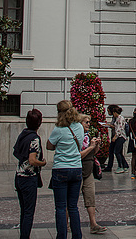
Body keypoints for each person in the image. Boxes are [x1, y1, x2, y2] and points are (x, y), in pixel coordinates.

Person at [46, 100, 83, 239]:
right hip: (76, 168)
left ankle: (61, 236)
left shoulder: (58, 129)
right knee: (73, 206)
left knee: (61, 207)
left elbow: (49, 146)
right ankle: (77, 235)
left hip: (61, 168)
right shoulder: (79, 127)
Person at [13, 109, 46, 239]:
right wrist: (42, 163)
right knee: (29, 211)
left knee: (24, 210)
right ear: (39, 123)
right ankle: (25, 236)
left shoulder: (23, 134)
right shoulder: (34, 138)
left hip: (19, 175)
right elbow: (32, 160)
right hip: (29, 178)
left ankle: (23, 234)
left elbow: (16, 152)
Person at [78, 113, 106, 234]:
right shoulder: (77, 138)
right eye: (86, 122)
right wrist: (90, 147)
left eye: (89, 122)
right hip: (78, 169)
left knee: (90, 197)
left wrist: (96, 145)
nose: (88, 124)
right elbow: (78, 155)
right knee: (72, 199)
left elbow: (93, 153)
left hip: (88, 170)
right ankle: (67, 224)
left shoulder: (88, 135)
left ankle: (93, 223)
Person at [102, 105, 128, 174]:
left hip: (120, 137)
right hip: (116, 136)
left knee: (117, 151)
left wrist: (115, 137)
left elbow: (119, 129)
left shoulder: (120, 118)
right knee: (113, 151)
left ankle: (121, 166)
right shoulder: (115, 118)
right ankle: (124, 165)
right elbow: (115, 127)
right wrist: (110, 126)